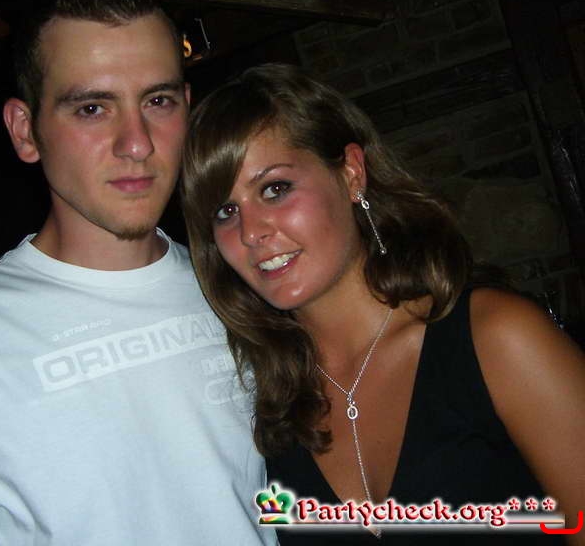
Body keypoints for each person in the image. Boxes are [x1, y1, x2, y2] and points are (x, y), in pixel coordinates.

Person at [0, 0, 275, 545]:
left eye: (158, 100)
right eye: (92, 108)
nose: (137, 142)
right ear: (25, 131)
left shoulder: (239, 284)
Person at [181, 63, 585, 544]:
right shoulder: (264, 403)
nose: (251, 232)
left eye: (275, 189)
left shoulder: (496, 338)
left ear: (351, 173)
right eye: (225, 212)